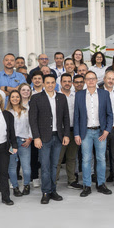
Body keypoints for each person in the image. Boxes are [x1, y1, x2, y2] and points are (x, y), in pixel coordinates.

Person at [28, 74, 71, 204]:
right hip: (43, 138)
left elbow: (66, 118)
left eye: (52, 82)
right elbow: (32, 120)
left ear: (55, 84)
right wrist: (36, 137)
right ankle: (45, 192)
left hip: (58, 137)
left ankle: (53, 190)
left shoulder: (61, 97)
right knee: (45, 166)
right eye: (48, 82)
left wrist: (66, 134)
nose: (50, 85)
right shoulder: (36, 98)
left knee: (54, 165)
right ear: (43, 84)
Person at [74, 71, 113, 197]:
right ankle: (87, 185)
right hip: (85, 132)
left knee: (101, 158)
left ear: (96, 80)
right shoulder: (79, 95)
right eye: (88, 79)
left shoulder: (104, 94)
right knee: (86, 159)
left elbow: (109, 114)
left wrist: (107, 130)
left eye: (93, 78)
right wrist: (76, 134)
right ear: (85, 81)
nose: (91, 81)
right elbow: (76, 116)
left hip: (100, 132)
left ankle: (101, 184)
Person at [56, 73, 81, 190]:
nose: (67, 83)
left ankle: (71, 181)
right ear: (61, 83)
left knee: (71, 157)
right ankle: (54, 182)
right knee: (58, 158)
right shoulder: (56, 96)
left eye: (69, 81)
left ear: (72, 83)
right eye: (64, 81)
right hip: (60, 132)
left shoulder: (76, 96)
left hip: (73, 130)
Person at [6, 90, 32, 198]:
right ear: (9, 99)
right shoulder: (6, 112)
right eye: (13, 97)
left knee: (26, 166)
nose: (15, 99)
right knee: (12, 167)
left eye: (17, 97)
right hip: (11, 143)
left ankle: (26, 185)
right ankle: (15, 187)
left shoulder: (26, 111)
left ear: (20, 98)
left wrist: (30, 138)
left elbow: (31, 125)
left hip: (23, 142)